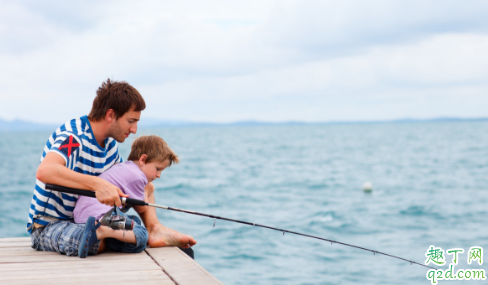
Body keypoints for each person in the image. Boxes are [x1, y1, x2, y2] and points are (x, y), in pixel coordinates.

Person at [28, 79, 197, 257]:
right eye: (131, 121)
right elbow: (45, 170)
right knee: (97, 242)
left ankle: (154, 229)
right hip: (49, 224)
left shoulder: (110, 145)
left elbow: (127, 182)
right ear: (110, 115)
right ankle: (107, 233)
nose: (134, 130)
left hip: (92, 219)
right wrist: (97, 184)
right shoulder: (73, 137)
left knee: (143, 188)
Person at [74, 135, 178, 257]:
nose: (159, 175)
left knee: (135, 226)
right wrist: (147, 190)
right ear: (143, 160)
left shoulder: (124, 167)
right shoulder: (138, 176)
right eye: (158, 169)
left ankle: (105, 234)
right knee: (142, 234)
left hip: (83, 216)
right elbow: (142, 208)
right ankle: (101, 230)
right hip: (103, 216)